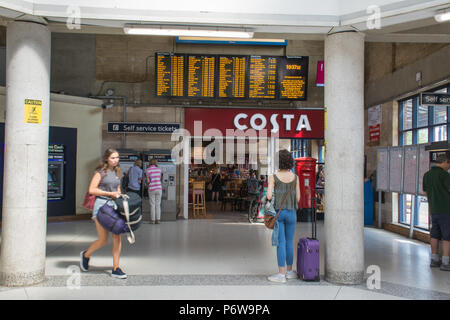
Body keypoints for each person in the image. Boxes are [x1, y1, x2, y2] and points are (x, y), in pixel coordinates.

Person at [80, 148, 127, 279]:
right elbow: (92, 190)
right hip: (101, 207)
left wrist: (119, 194)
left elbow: (117, 187)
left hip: (114, 206)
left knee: (117, 236)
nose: (116, 160)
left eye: (117, 157)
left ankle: (116, 268)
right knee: (103, 240)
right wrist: (109, 194)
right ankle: (85, 255)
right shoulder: (100, 172)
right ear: (107, 158)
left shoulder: (118, 171)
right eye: (113, 158)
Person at [266, 149, 300, 283]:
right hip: (292, 213)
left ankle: (281, 275)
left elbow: (269, 196)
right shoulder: (295, 177)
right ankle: (290, 271)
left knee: (281, 243)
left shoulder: (273, 177)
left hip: (279, 213)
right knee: (289, 242)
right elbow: (298, 198)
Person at [423, 152, 450, 271]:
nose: (449, 167)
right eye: (449, 164)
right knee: (447, 236)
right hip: (446, 209)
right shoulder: (445, 175)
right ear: (444, 162)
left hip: (433, 209)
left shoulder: (427, 175)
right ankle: (445, 262)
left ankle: (434, 259)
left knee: (435, 234)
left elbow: (425, 192)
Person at [146, 158, 162, 224]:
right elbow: (160, 178)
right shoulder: (159, 169)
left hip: (152, 188)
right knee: (158, 204)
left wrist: (148, 183)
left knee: (152, 204)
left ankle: (152, 220)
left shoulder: (148, 170)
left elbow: (148, 181)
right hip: (159, 188)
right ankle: (158, 219)